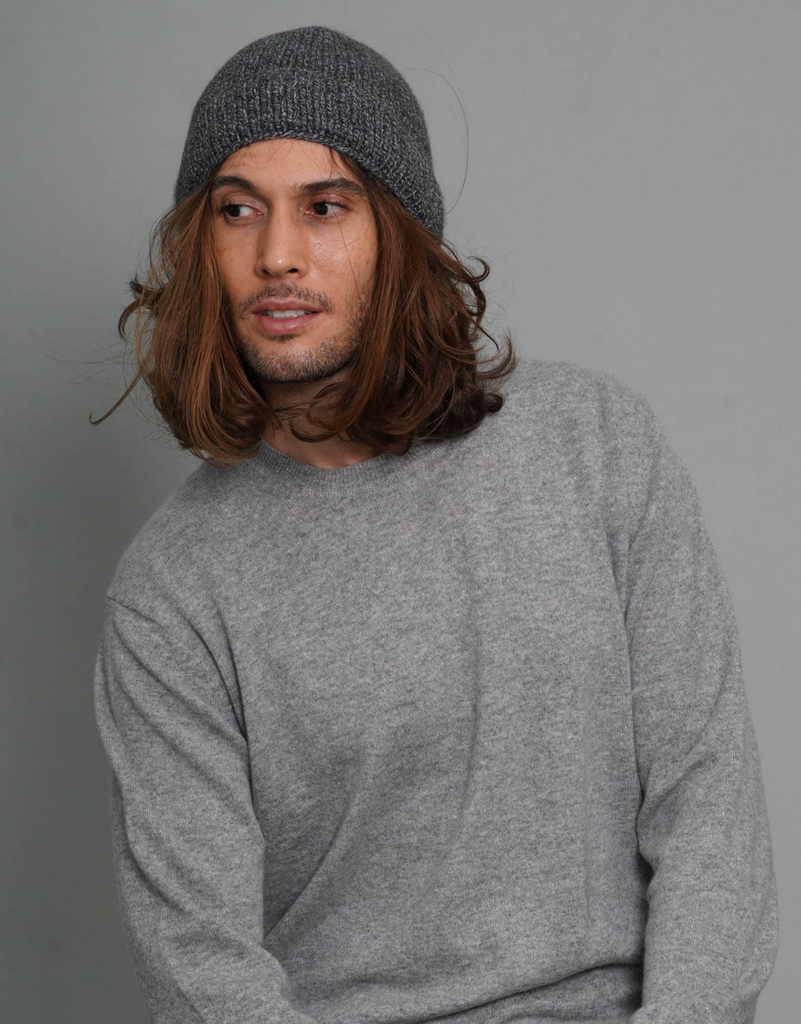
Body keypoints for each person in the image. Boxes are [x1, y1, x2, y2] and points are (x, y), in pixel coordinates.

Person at [92, 25, 778, 1024]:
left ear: (400, 235)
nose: (276, 254)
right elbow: (201, 967)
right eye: (238, 210)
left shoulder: (595, 445)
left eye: (325, 206)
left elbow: (709, 799)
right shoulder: (172, 589)